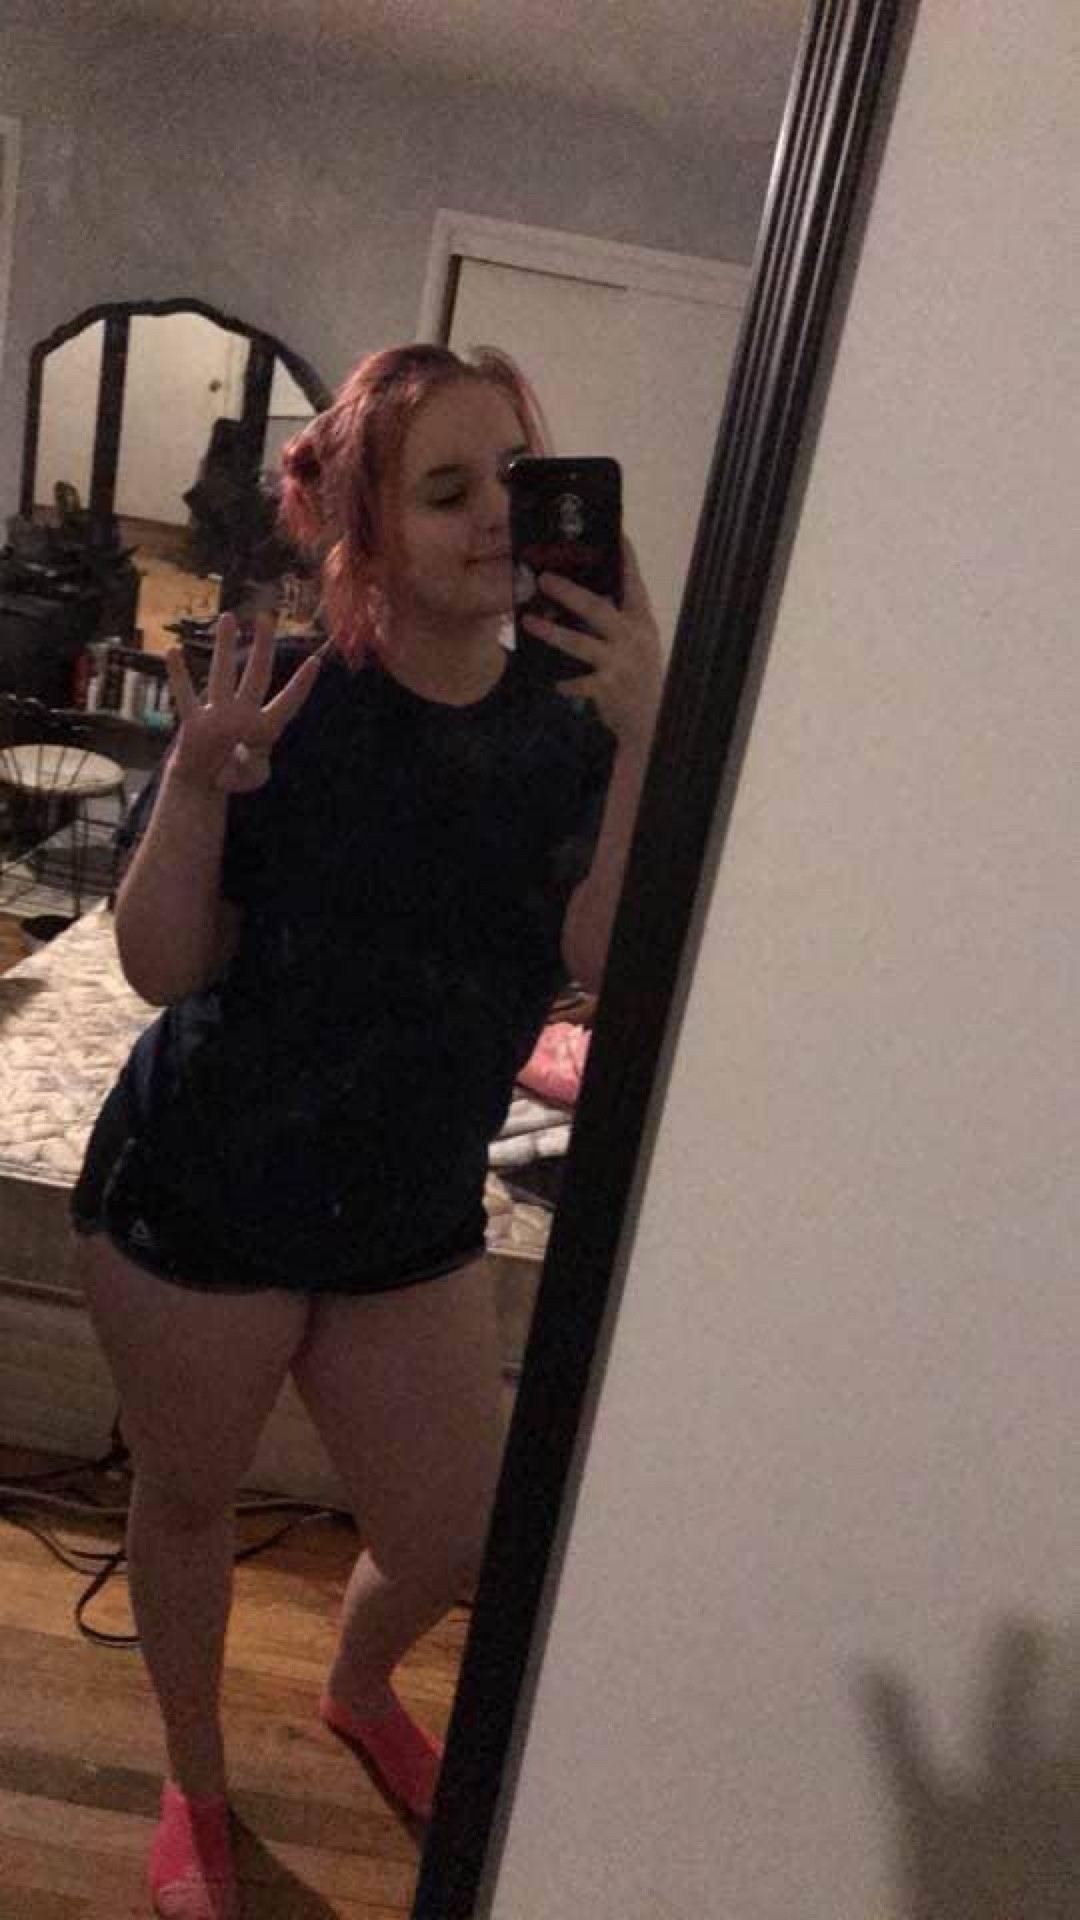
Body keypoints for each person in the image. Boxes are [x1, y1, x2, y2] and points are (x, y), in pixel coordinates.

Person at [71, 342, 663, 1920]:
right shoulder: (280, 690)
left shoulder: (578, 726)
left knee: (450, 1533)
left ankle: (354, 1683)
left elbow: (608, 961)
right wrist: (200, 788)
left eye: (516, 481)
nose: (495, 518)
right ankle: (197, 1787)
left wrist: (652, 735)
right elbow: (161, 969)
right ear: (366, 527)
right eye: (447, 489)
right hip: (206, 1187)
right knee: (188, 1499)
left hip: (408, 1200)